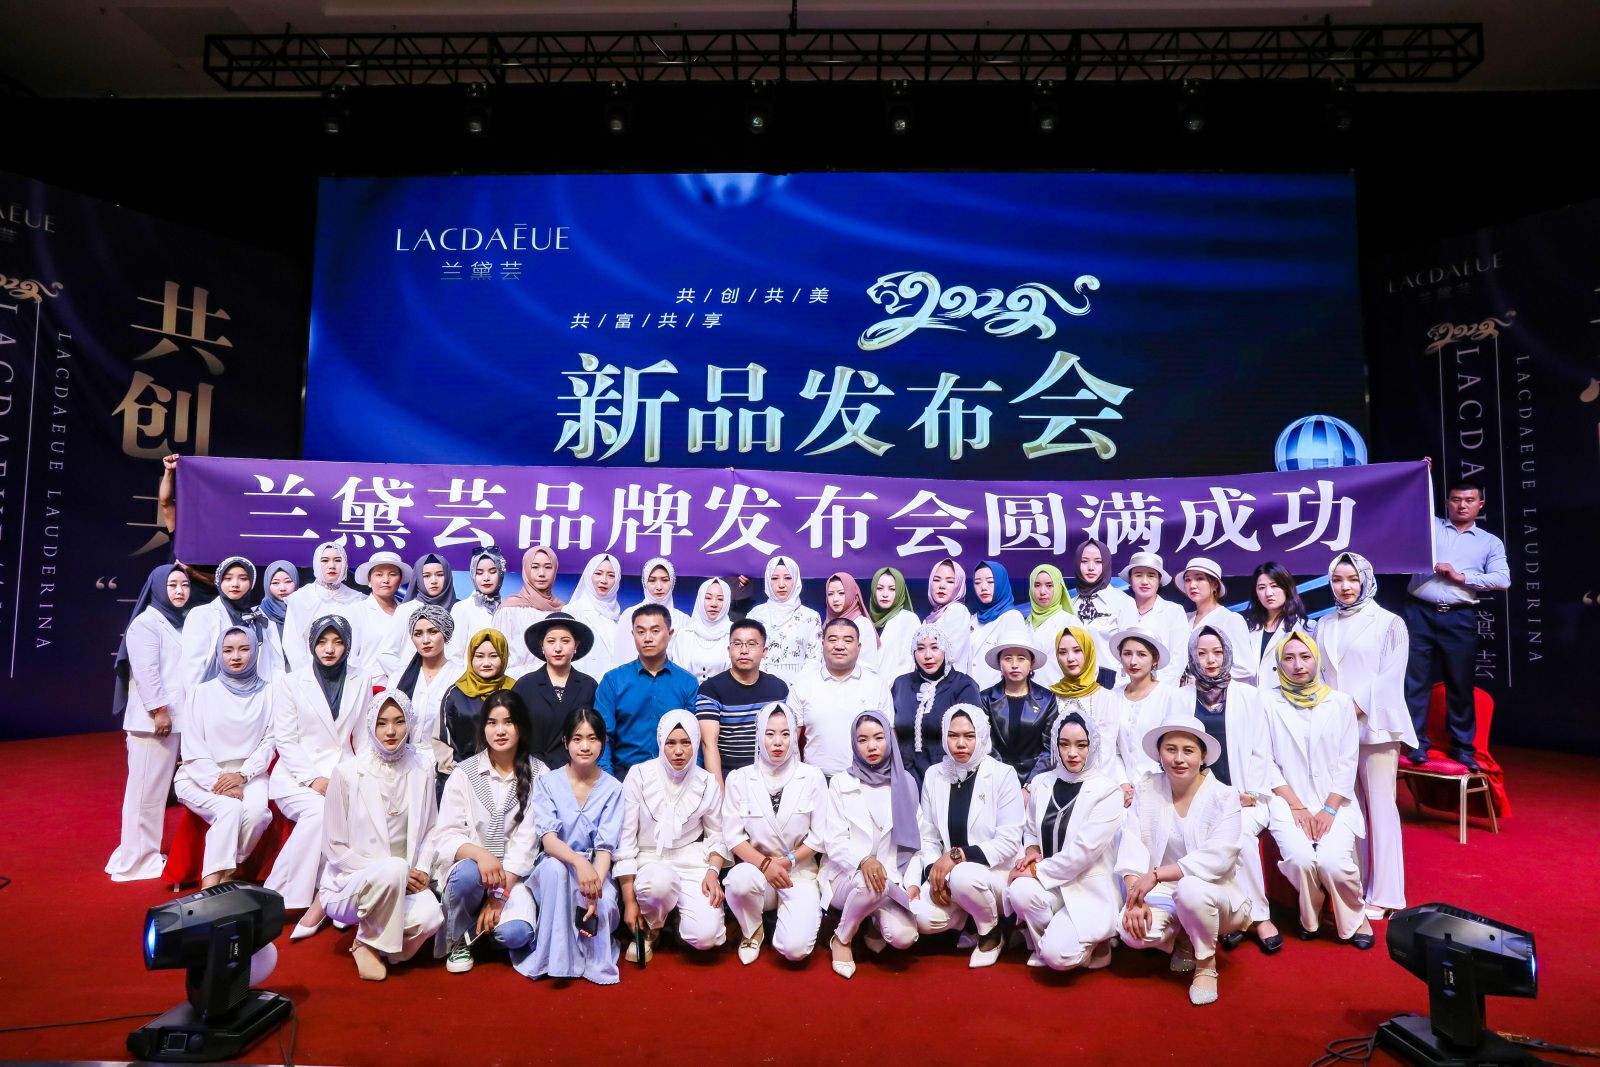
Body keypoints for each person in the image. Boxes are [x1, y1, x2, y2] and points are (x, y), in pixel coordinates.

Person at [1117, 712, 1250, 1006]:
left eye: (1188, 751)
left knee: (1190, 889)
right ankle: (1183, 936)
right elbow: (1131, 841)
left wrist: (1156, 875)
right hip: (1162, 890)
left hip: (1213, 891)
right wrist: (1134, 895)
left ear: (1202, 757)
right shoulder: (1147, 788)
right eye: (1170, 749)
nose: (1179, 759)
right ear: (1159, 754)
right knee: (1132, 933)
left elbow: (1220, 857)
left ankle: (1206, 963)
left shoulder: (1224, 796)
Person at [1318, 551, 1418, 918]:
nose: (1345, 586)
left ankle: (1387, 894)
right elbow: (1321, 674)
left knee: (1381, 809)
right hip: (1336, 729)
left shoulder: (1389, 623)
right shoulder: (1324, 623)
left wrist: (1351, 709)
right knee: (1348, 809)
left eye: (1352, 579)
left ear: (1366, 579)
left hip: (1375, 727)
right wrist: (1329, 714)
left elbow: (1390, 678)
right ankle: (1352, 887)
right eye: (1337, 580)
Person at [1259, 632, 1374, 949]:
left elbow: (1348, 760)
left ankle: (1356, 916)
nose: (1298, 665)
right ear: (1279, 664)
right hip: (1287, 800)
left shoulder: (1340, 702)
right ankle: (1310, 916)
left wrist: (1330, 808)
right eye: (1289, 658)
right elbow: (1264, 760)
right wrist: (1296, 805)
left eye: (1305, 657)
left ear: (1316, 659)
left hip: (1334, 800)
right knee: (1300, 859)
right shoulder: (1266, 702)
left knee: (1332, 862)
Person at [320, 691, 444, 981]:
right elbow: (334, 847)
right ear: (371, 725)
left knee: (432, 916)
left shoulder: (423, 766)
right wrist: (391, 872)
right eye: (382, 723)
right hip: (351, 884)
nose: (391, 731)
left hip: (406, 881)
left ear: (410, 723)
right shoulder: (348, 772)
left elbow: (431, 827)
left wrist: (422, 870)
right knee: (393, 868)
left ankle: (375, 945)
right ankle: (368, 941)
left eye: (399, 721)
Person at [268, 614, 373, 939]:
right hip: (297, 777)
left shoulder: (361, 678)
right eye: (322, 641)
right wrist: (314, 779)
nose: (329, 649)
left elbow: (364, 736)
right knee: (319, 814)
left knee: (364, 813)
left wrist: (363, 775)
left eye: (337, 642)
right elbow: (286, 740)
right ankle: (279, 896)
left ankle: (332, 897)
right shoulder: (290, 682)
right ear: (311, 644)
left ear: (347, 645)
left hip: (344, 772)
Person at [431, 690, 549, 974]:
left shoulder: (540, 773)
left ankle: (483, 931)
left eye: (508, 722)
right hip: (473, 873)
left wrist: (499, 896)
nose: (500, 731)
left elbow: (527, 843)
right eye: (492, 723)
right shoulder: (464, 772)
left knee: (516, 934)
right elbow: (446, 834)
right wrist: (480, 855)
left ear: (521, 725)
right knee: (467, 874)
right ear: (483, 727)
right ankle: (460, 940)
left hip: (513, 877)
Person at [1183, 626, 1283, 952]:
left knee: (1238, 834)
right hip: (1198, 795)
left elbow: (1261, 751)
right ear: (1192, 657)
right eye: (1202, 653)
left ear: (1227, 653)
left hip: (1245, 795)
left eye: (1217, 652)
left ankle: (1258, 916)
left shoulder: (1249, 695)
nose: (1210, 660)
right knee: (1203, 835)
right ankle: (1229, 915)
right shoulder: (1180, 697)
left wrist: (1247, 793)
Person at [1005, 711, 1126, 971]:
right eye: (1064, 744)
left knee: (1059, 958)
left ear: (1092, 746)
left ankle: (1097, 944)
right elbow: (1030, 829)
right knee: (1019, 891)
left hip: (1087, 888)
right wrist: (1032, 849)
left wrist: (1034, 870)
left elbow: (1082, 853)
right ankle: (1048, 940)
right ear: (1056, 745)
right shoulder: (1042, 782)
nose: (1072, 753)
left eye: (1081, 745)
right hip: (1050, 884)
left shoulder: (1107, 792)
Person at [1403, 479, 1510, 771]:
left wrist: (1462, 577)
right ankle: (1416, 744)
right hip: (1419, 612)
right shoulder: (1431, 527)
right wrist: (1421, 474)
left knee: (1460, 684)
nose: (1462, 505)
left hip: (1459, 616)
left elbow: (1503, 579)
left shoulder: (1489, 542)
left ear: (1480, 505)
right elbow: (1412, 503)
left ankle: (1462, 748)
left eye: (1469, 500)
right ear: (1447, 502)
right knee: (1415, 681)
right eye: (1456, 499)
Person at [515, 706, 624, 986]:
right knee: (556, 871)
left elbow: (605, 849)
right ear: (565, 742)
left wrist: (594, 886)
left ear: (602, 743)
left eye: (592, 738)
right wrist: (578, 862)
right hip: (558, 862)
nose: (584, 746)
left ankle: (590, 961)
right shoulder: (547, 783)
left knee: (603, 902)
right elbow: (549, 840)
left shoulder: (613, 788)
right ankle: (553, 959)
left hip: (597, 868)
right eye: (577, 739)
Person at [910, 704, 1025, 967]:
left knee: (963, 875)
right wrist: (934, 873)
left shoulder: (1003, 775)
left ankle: (991, 932)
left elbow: (1008, 843)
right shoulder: (934, 775)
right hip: (952, 877)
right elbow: (928, 837)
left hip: (996, 874)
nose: (960, 743)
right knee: (919, 918)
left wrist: (957, 856)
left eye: (969, 736)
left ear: (982, 736)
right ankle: (968, 920)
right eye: (953, 735)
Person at [616, 710, 729, 960]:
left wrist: (713, 871)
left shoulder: (707, 782)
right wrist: (630, 902)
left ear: (696, 743)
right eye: (671, 743)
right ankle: (653, 927)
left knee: (706, 937)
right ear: (660, 743)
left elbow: (717, 834)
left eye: (686, 742)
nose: (679, 751)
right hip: (649, 859)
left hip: (691, 859)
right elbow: (625, 841)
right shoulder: (639, 775)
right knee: (659, 882)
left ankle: (678, 921)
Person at [819, 710, 923, 979]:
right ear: (854, 744)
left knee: (904, 937)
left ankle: (873, 921)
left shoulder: (906, 783)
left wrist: (912, 882)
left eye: (878, 737)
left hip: (891, 880)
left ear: (890, 739)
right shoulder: (841, 783)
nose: (872, 746)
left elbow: (916, 844)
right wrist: (863, 860)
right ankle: (842, 938)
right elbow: (833, 840)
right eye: (863, 740)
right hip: (845, 877)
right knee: (870, 884)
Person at [721, 703, 826, 964]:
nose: (777, 742)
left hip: (798, 872)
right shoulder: (739, 778)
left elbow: (819, 836)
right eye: (770, 734)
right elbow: (733, 836)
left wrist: (787, 861)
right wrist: (766, 865)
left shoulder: (812, 776)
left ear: (794, 737)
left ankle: (786, 919)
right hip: (757, 871)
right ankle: (753, 929)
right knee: (738, 881)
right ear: (759, 736)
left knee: (795, 950)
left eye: (785, 734)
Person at [174, 626, 276, 888]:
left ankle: (229, 871)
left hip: (249, 774)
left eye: (244, 649)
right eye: (228, 650)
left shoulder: (269, 692)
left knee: (257, 814)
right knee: (229, 809)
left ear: (255, 652)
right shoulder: (201, 692)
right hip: (200, 775)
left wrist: (242, 775)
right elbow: (193, 747)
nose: (236, 656)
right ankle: (211, 886)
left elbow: (269, 741)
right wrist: (220, 782)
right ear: (219, 653)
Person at [107, 563, 190, 882]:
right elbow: (146, 672)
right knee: (144, 794)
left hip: (168, 721)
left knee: (152, 793)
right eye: (173, 585)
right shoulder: (145, 624)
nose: (180, 591)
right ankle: (136, 861)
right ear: (157, 588)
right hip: (153, 723)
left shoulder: (175, 621)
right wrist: (160, 710)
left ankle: (139, 852)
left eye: (184, 585)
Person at [595, 604, 700, 780]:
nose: (647, 638)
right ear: (633, 635)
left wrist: (693, 780)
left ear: (670, 633)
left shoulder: (687, 682)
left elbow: (696, 737)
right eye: (641, 632)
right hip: (624, 775)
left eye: (655, 631)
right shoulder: (613, 681)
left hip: (676, 777)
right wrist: (609, 781)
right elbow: (601, 735)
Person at [790, 617, 893, 777]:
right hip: (816, 781)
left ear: (859, 647)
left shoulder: (877, 685)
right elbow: (791, 741)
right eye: (832, 640)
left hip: (866, 779)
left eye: (848, 640)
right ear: (822, 644)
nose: (839, 646)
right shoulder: (802, 685)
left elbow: (890, 736)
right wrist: (798, 779)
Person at [696, 617, 789, 779]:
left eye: (752, 644)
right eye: (737, 644)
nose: (744, 650)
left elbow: (787, 739)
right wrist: (718, 789)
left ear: (764, 651)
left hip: (769, 773)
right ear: (729, 649)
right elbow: (709, 745)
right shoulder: (710, 689)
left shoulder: (778, 689)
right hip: (728, 773)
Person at [890, 624, 982, 782]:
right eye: (920, 648)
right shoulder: (901, 685)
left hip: (948, 779)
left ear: (946, 650)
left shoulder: (963, 686)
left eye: (935, 647)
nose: (927, 655)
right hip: (906, 779)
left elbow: (974, 739)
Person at [1046, 624, 1132, 792]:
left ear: (1089, 651)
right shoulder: (1050, 697)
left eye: (1077, 650)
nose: (1070, 658)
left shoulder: (1107, 698)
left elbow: (1114, 751)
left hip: (1102, 789)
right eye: (1062, 652)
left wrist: (1121, 783)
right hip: (1058, 787)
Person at [511, 612, 599, 770]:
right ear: (542, 646)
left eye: (565, 641)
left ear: (576, 645)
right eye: (551, 641)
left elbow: (597, 734)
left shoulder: (589, 686)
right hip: (531, 771)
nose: (558, 648)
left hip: (576, 772)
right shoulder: (525, 685)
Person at [977, 616, 1058, 787]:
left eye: (1021, 658)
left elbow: (1049, 748)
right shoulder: (985, 698)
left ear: (1031, 663)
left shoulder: (1047, 699)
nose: (1014, 665)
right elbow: (985, 745)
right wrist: (1005, 782)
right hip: (995, 780)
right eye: (1008, 658)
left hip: (1037, 781)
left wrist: (1030, 785)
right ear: (999, 663)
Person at [437, 629, 516, 793]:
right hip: (465, 775)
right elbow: (443, 739)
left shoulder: (515, 690)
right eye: (479, 656)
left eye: (493, 656)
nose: (486, 663)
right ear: (470, 657)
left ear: (503, 656)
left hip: (508, 775)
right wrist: (455, 774)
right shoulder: (455, 694)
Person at [181, 556, 272, 693]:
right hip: (214, 695)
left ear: (251, 583)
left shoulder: (256, 617)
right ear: (219, 581)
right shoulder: (202, 614)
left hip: (252, 694)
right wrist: (197, 698)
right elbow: (192, 666)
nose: (235, 584)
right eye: (228, 578)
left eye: (243, 578)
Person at [385, 604, 461, 762]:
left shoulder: (460, 676)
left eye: (433, 632)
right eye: (418, 634)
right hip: (401, 759)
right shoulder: (398, 677)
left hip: (445, 762)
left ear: (445, 634)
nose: (425, 640)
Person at [1110, 628, 1188, 780]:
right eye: (1127, 654)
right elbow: (1112, 748)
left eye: (1141, 654)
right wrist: (1122, 782)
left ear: (1155, 659)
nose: (1133, 661)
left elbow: (1177, 747)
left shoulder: (1170, 696)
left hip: (1162, 784)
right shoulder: (1113, 696)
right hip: (1122, 786)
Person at [283, 542, 365, 673]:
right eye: (325, 560)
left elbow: (360, 643)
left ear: (345, 564)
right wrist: (308, 675)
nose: (331, 566)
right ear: (316, 563)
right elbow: (292, 643)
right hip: (309, 674)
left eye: (337, 560)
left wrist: (352, 673)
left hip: (350, 673)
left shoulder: (357, 599)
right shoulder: (300, 599)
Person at [747, 556, 821, 686]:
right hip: (761, 685)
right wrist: (766, 683)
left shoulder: (811, 617)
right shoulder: (755, 615)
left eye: (787, 578)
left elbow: (814, 659)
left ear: (796, 579)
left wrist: (795, 686)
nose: (781, 584)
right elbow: (749, 653)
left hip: (801, 687)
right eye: (775, 578)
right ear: (767, 580)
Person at [1071, 538, 1138, 679]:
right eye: (1084, 561)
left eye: (1098, 562)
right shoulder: (1071, 605)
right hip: (1075, 684)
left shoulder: (1123, 602)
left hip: (1112, 685)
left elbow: (1131, 650)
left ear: (1106, 564)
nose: (1091, 567)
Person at [1179, 558, 1253, 683]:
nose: (1192, 585)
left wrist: (1204, 681)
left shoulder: (1231, 619)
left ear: (1214, 585)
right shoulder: (1184, 618)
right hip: (1184, 691)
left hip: (1217, 693)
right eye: (1187, 580)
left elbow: (1246, 669)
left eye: (1199, 578)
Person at [1122, 551, 1189, 686]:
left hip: (1161, 687)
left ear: (1159, 580)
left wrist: (1158, 689)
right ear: (1130, 580)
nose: (1144, 581)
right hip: (1123, 687)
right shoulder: (1122, 609)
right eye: (1138, 575)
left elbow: (1178, 658)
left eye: (1151, 576)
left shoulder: (1174, 611)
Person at [386, 552, 458, 670]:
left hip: (452, 677)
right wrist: (407, 675)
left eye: (440, 574)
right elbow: (386, 653)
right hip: (412, 678)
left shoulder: (459, 609)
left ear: (448, 576)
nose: (433, 581)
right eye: (426, 576)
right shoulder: (406, 610)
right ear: (418, 578)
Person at [495, 546, 563, 672]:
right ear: (526, 568)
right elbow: (497, 654)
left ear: (555, 570)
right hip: (515, 680)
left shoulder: (563, 611)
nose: (541, 573)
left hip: (555, 679)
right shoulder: (509, 609)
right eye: (535, 567)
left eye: (548, 567)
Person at [1243, 562, 1310, 686]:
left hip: (1289, 696)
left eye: (1274, 586)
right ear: (1256, 593)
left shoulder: (1306, 628)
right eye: (1261, 588)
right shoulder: (1247, 628)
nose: (1268, 593)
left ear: (1287, 588)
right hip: (1252, 696)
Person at [614, 556, 689, 666]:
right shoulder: (630, 615)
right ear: (645, 583)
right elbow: (620, 658)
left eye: (664, 580)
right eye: (652, 580)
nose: (659, 587)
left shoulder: (684, 620)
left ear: (672, 582)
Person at [562, 552, 624, 681]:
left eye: (611, 575)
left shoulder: (618, 617)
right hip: (581, 685)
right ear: (589, 575)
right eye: (598, 573)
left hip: (611, 685)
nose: (604, 580)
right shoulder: (572, 611)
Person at [351, 550, 412, 679]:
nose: (386, 580)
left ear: (400, 580)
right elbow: (350, 657)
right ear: (369, 579)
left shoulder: (409, 611)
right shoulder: (357, 611)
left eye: (392, 574)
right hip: (369, 684)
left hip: (404, 683)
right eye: (379, 574)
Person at [968, 559, 1023, 691]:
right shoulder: (973, 619)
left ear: (1001, 583)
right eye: (977, 582)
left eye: (990, 582)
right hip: (970, 694)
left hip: (998, 696)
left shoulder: (1012, 617)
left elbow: (1015, 665)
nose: (983, 587)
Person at [449, 546, 507, 661]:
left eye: (492, 572)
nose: (486, 578)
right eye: (479, 573)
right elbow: (453, 656)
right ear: (473, 575)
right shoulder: (461, 609)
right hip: (469, 672)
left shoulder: (509, 608)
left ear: (501, 573)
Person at [671, 577, 734, 683]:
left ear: (727, 601)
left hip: (725, 692)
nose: (714, 604)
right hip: (689, 692)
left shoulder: (734, 634)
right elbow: (678, 673)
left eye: (720, 599)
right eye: (708, 598)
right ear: (700, 599)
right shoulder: (685, 634)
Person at [1026, 563, 1078, 687]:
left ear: (1059, 588)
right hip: (1028, 695)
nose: (1042, 591)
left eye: (1049, 585)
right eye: (1037, 585)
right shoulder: (1026, 624)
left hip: (1061, 693)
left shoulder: (1070, 622)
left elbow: (1086, 665)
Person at [867, 566, 921, 683]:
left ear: (900, 591)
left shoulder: (908, 619)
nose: (885, 594)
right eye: (879, 588)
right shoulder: (866, 622)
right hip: (869, 689)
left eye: (892, 589)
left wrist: (890, 688)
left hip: (896, 689)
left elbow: (908, 663)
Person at [924, 557, 974, 675]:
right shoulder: (932, 616)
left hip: (949, 682)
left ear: (959, 585)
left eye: (950, 581)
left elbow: (951, 655)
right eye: (936, 580)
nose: (942, 586)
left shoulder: (957, 610)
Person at [823, 571, 878, 673]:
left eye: (841, 593)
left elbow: (869, 666)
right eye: (830, 594)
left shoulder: (862, 624)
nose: (835, 599)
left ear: (852, 593)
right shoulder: (826, 624)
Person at [258, 559, 299, 675]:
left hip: (299, 677)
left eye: (288, 581)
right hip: (268, 677)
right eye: (275, 583)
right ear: (267, 584)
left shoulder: (304, 612)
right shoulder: (257, 615)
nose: (282, 588)